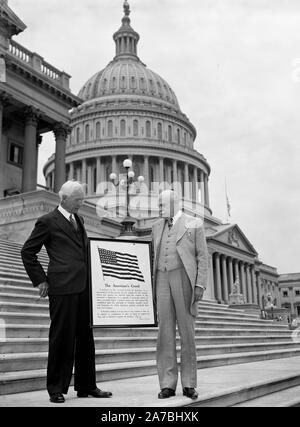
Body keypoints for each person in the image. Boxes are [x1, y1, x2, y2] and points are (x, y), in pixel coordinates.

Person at [21, 181, 112, 404]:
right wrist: (40, 280)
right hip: (62, 288)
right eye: (78, 199)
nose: (82, 203)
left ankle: (86, 385)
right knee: (61, 338)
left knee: (85, 339)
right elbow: (28, 251)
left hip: (83, 287)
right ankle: (55, 388)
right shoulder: (47, 221)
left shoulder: (79, 220)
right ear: (64, 198)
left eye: (82, 199)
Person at [151, 190, 208, 400]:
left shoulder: (194, 223)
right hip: (162, 280)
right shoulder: (156, 226)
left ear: (174, 203)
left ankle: (189, 383)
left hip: (184, 279)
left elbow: (203, 256)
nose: (158, 207)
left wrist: (200, 285)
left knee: (187, 333)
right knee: (164, 333)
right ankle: (167, 384)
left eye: (161, 204)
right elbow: (153, 255)